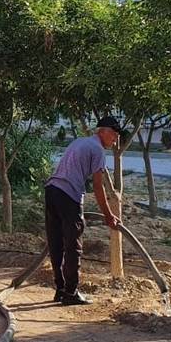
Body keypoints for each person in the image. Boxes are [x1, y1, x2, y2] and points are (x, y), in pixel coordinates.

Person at [44, 116, 122, 306]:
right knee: (73, 245)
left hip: (52, 191)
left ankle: (60, 290)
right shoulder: (98, 150)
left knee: (56, 243)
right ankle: (71, 292)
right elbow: (98, 186)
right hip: (69, 195)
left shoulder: (80, 142)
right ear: (102, 131)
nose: (115, 140)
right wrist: (108, 215)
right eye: (113, 135)